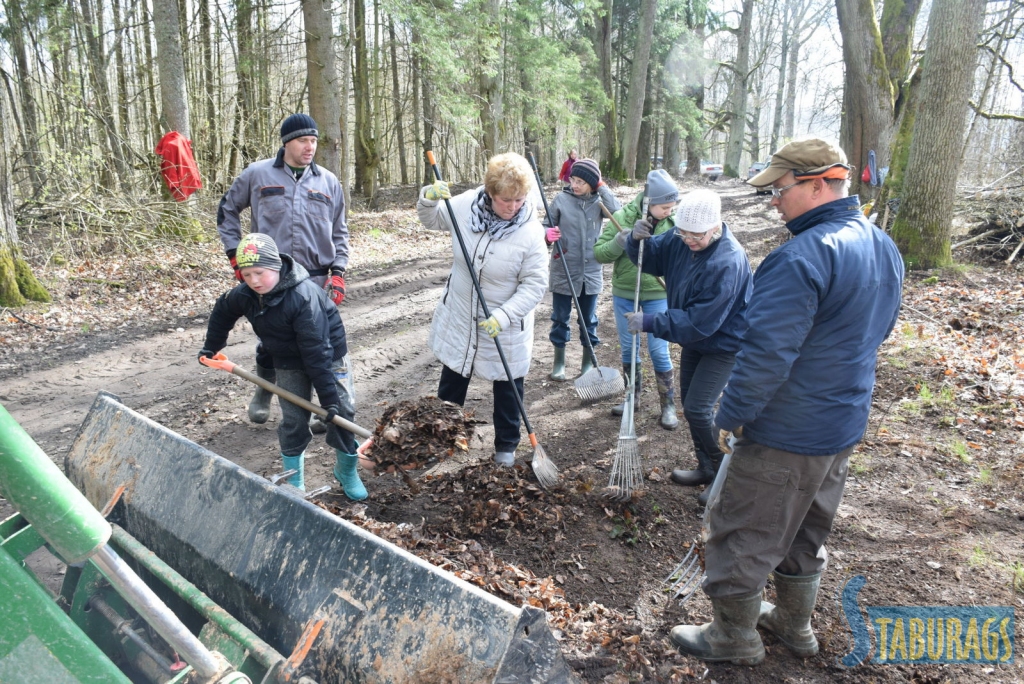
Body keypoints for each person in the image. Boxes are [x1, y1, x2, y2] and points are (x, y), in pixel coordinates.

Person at [669, 138, 904, 665]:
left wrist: (731, 416)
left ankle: (733, 636)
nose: (773, 201)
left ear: (818, 184)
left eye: (780, 190)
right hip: (842, 425)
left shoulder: (799, 258)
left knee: (744, 528)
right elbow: (881, 328)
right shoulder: (880, 243)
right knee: (806, 527)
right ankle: (795, 625)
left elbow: (765, 355)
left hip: (786, 430)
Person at [198, 234, 366, 501]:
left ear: (276, 266)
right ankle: (294, 478)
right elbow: (223, 311)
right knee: (293, 418)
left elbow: (317, 352)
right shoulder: (246, 294)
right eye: (247, 274)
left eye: (260, 273)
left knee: (341, 411)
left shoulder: (302, 297)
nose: (254, 280)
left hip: (328, 356)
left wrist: (328, 400)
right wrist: (212, 347)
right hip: (287, 359)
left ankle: (346, 470)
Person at [217, 113, 349, 428]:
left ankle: (323, 409)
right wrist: (237, 257)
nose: (310, 147)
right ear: (287, 142)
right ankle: (264, 389)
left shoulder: (328, 181)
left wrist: (338, 271)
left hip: (316, 277)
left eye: (313, 141)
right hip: (270, 277)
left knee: (319, 342)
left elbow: (340, 231)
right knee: (272, 339)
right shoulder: (257, 174)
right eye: (303, 140)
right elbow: (227, 210)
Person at [417, 153, 548, 467]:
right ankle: (442, 439)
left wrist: (503, 316)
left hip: (505, 323)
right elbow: (432, 219)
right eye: (506, 200)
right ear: (490, 193)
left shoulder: (531, 233)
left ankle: (506, 447)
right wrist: (428, 198)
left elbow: (534, 285)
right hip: (462, 313)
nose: (513, 207)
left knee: (508, 385)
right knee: (453, 378)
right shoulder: (465, 205)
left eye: (519, 199)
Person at [623, 189, 752, 503]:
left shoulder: (726, 261)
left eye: (697, 236)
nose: (689, 240)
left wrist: (650, 321)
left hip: (724, 342)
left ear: (715, 227)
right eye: (683, 233)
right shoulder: (680, 238)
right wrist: (636, 240)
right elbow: (650, 258)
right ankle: (706, 467)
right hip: (697, 339)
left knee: (698, 407)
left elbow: (699, 321)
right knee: (691, 406)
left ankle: (723, 479)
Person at [594, 168, 677, 429]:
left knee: (659, 350)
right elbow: (599, 254)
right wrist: (621, 241)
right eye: (665, 207)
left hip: (657, 295)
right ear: (649, 202)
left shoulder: (674, 224)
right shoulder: (621, 216)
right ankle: (632, 398)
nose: (669, 212)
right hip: (625, 294)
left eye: (672, 207)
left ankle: (668, 404)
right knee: (629, 348)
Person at [543, 158, 621, 381]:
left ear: (592, 184)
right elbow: (545, 225)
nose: (575, 185)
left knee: (589, 320)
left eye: (581, 182)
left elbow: (618, 213)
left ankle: (587, 363)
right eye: (573, 180)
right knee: (560, 318)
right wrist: (546, 235)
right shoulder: (561, 199)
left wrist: (602, 187)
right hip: (563, 267)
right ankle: (559, 363)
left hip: (591, 271)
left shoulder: (599, 202)